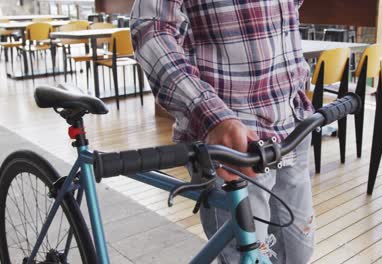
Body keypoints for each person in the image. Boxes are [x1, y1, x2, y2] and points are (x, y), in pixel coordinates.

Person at [130, 0, 314, 263]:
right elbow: (151, 28)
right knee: (247, 257)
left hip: (293, 126)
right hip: (232, 141)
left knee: (298, 253)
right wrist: (211, 115)